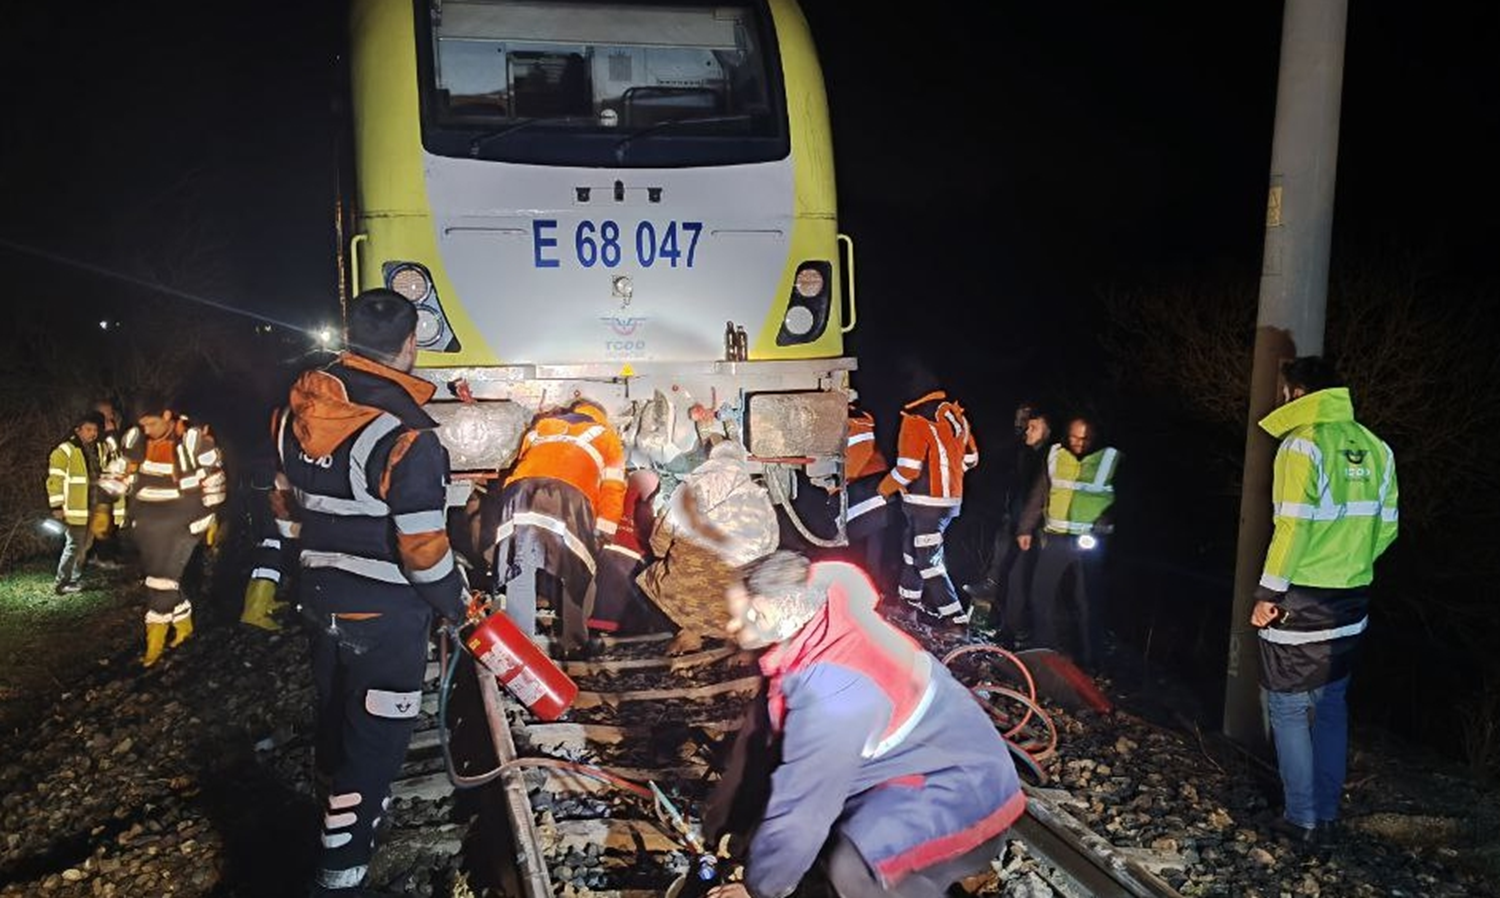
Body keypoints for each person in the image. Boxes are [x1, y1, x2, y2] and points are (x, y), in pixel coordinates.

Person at [250, 289, 468, 895]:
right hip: (385, 613)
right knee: (374, 743)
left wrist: (294, 564)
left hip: (319, 597)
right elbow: (421, 549)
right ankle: (339, 875)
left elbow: (283, 506)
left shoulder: (294, 415)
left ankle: (336, 818)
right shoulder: (407, 437)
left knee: (335, 716)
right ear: (410, 345)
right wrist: (455, 604)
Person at [707, 552, 1025, 898]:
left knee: (856, 861)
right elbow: (774, 753)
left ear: (766, 612)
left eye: (737, 618)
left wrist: (759, 889)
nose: (731, 627)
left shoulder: (834, 690)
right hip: (921, 763)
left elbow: (804, 809)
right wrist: (732, 832)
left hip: (968, 796)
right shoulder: (819, 614)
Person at [1251, 356, 1397, 843]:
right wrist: (1350, 565)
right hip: (1352, 596)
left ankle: (1302, 818)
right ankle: (1328, 815)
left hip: (1301, 598)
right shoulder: (1377, 446)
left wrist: (1268, 592)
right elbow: (1388, 527)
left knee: (1288, 707)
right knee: (1332, 705)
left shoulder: (1301, 445)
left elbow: (1291, 527)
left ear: (1296, 393)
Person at [490, 397, 627, 656]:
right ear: (601, 416)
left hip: (520, 494)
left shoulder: (543, 426)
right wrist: (605, 531)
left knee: (520, 565)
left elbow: (525, 462)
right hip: (568, 498)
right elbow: (613, 488)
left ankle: (521, 646)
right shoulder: (606, 435)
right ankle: (575, 643)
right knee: (579, 568)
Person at [108, 394, 226, 667]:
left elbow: (214, 478)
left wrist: (212, 516)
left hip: (184, 522)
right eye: (143, 424)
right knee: (161, 579)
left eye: (151, 423)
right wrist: (103, 504)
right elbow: (120, 471)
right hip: (147, 524)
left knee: (161, 580)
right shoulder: (135, 440)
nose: (147, 430)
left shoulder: (194, 440)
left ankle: (155, 641)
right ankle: (184, 625)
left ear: (166, 415)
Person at [637, 436, 780, 654]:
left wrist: (664, 552)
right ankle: (705, 630)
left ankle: (689, 628)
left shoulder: (698, 486)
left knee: (659, 569)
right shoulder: (760, 499)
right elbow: (770, 551)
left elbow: (661, 536)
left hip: (683, 598)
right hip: (733, 615)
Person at [1014, 415, 1119, 671]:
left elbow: (1121, 499)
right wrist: (1026, 527)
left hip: (1090, 543)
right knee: (1041, 593)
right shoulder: (1055, 455)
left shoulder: (1110, 458)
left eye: (1085, 438)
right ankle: (1043, 649)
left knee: (1087, 602)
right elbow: (1040, 493)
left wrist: (1106, 522)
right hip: (1057, 537)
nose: (1079, 442)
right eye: (1074, 436)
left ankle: (1090, 660)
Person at [876, 372, 978, 625]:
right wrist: (949, 479)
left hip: (925, 504)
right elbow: (971, 458)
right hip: (948, 502)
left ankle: (956, 619)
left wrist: (883, 489)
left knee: (927, 562)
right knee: (913, 553)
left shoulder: (915, 419)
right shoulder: (956, 415)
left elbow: (908, 470)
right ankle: (907, 606)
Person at [964, 404, 1052, 641]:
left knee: (1019, 579)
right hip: (1014, 520)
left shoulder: (1048, 457)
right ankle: (999, 624)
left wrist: (1028, 526)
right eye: (1023, 423)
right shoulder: (1024, 452)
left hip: (1032, 528)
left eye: (1032, 426)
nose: (1025, 429)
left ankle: (1018, 632)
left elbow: (1038, 496)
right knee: (1004, 569)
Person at [46, 411, 110, 594]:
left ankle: (73, 580)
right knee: (74, 545)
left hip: (91, 507)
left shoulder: (95, 450)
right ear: (78, 430)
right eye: (88, 429)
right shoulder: (65, 450)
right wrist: (57, 506)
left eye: (95, 430)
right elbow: (54, 480)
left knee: (85, 546)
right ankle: (62, 583)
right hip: (74, 510)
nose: (93, 433)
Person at [89, 398, 128, 568]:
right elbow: (115, 457)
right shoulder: (101, 438)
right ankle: (103, 557)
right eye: (108, 415)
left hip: (111, 490)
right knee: (102, 525)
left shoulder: (109, 436)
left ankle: (106, 555)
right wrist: (112, 434)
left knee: (108, 524)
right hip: (102, 491)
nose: (111, 418)